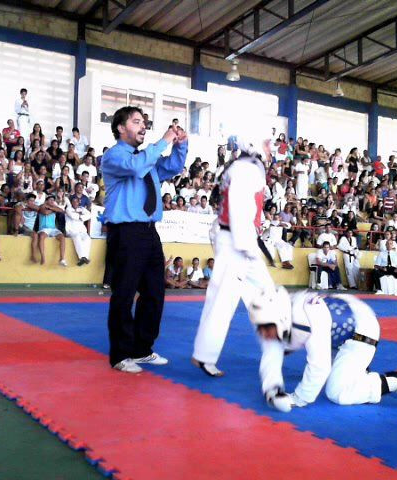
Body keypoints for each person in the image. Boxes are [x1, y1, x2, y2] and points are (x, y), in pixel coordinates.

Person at [102, 106, 187, 373]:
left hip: (149, 231)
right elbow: (137, 168)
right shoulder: (114, 155)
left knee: (154, 292)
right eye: (136, 122)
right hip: (126, 232)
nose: (143, 126)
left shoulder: (146, 159)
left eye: (144, 122)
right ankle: (120, 354)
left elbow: (172, 166)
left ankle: (141, 349)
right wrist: (163, 141)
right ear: (120, 128)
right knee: (124, 293)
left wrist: (180, 146)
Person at [192, 137, 276, 378]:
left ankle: (276, 343)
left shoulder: (242, 168)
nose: (271, 149)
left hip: (238, 240)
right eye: (268, 144)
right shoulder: (246, 170)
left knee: (265, 292)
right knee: (222, 300)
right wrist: (247, 246)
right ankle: (204, 356)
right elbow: (240, 209)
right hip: (237, 244)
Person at [253, 289, 397, 412]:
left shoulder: (308, 317)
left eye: (266, 329)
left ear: (280, 321)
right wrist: (272, 388)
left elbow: (320, 366)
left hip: (362, 332)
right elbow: (271, 353)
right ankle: (357, 371)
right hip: (339, 327)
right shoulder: (277, 312)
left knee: (337, 392)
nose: (264, 334)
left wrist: (297, 399)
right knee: (285, 346)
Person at [65, 196, 92, 266]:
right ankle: (81, 257)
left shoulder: (82, 208)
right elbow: (73, 216)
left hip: (81, 231)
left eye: (76, 201)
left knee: (87, 239)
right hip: (71, 231)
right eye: (73, 201)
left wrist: (81, 216)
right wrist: (81, 216)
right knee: (77, 237)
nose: (75, 203)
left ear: (79, 202)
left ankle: (85, 257)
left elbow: (89, 215)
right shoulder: (68, 209)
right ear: (71, 202)